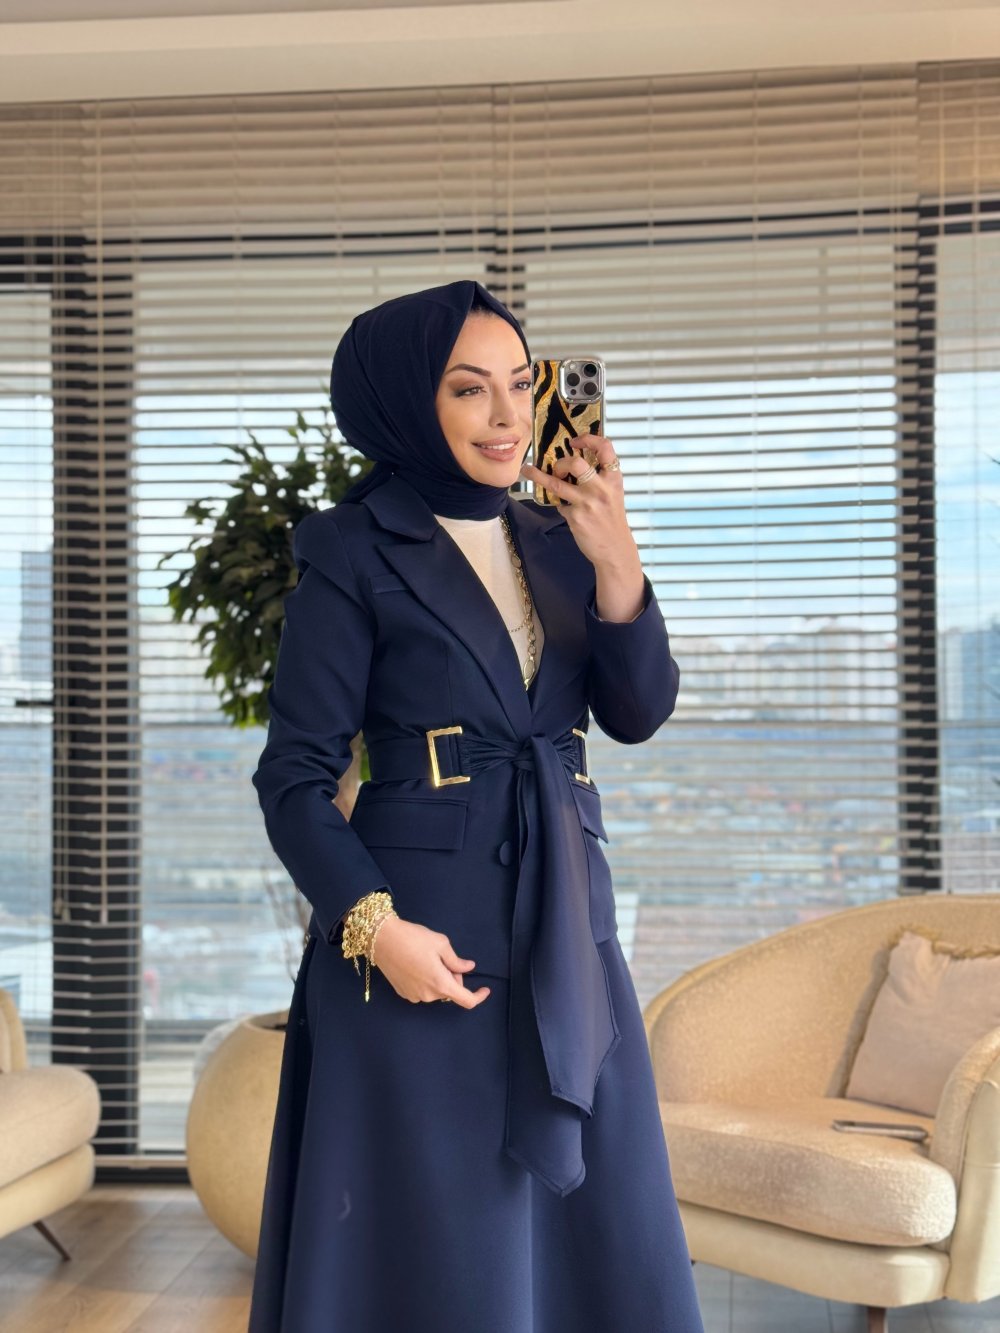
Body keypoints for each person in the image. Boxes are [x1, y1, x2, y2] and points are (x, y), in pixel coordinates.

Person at [246, 279, 705, 1332]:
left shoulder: (560, 537)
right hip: (421, 950)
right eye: (468, 389)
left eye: (517, 383)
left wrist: (617, 556)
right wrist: (376, 929)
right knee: (443, 1252)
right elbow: (294, 777)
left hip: (568, 934)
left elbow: (636, 713)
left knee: (601, 1241)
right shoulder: (352, 549)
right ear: (407, 403)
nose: (507, 416)